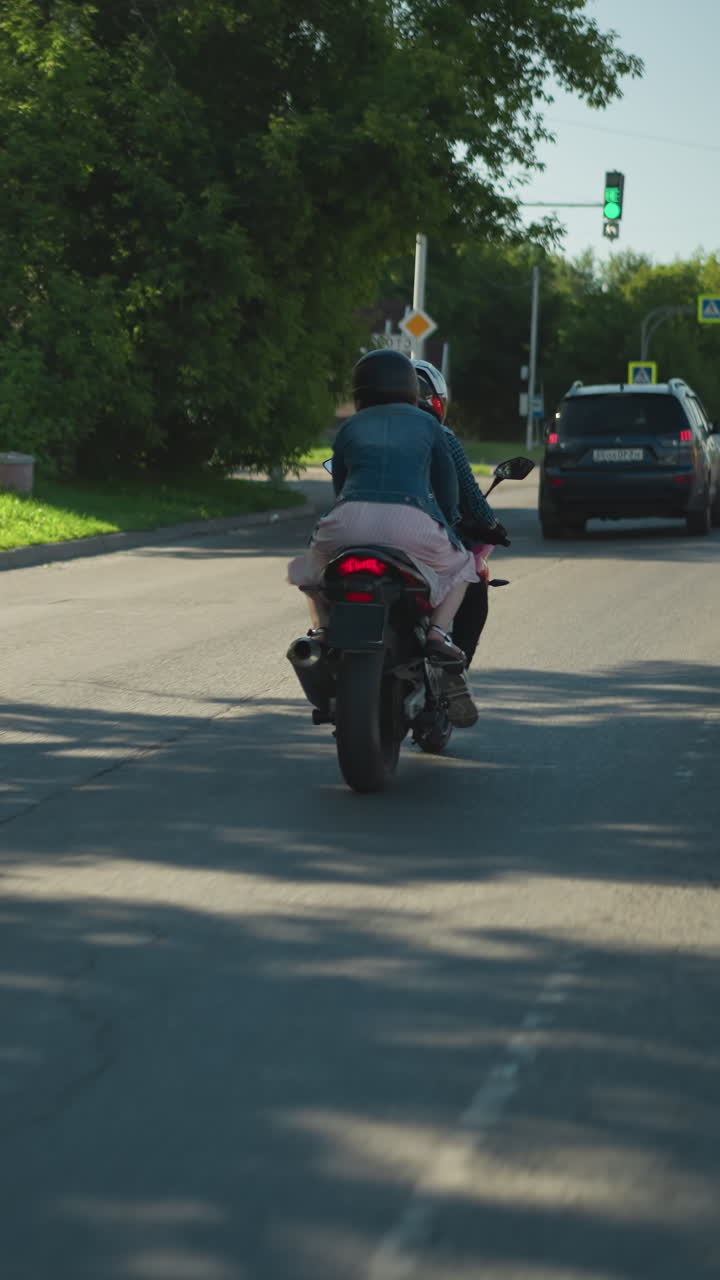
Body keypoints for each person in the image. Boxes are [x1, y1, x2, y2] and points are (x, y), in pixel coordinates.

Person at [287, 349, 479, 726]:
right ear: (411, 388)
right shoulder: (430, 427)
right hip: (412, 522)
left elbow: (341, 484)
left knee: (311, 569)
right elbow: (445, 487)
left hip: (349, 519)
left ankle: (322, 628)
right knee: (463, 567)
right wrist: (450, 524)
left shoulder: (350, 428)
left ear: (359, 391)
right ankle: (439, 634)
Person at [412, 359, 509, 666]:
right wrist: (492, 525)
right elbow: (468, 493)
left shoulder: (358, 429)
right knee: (470, 575)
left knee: (324, 575)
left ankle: (321, 633)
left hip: (352, 531)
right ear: (436, 400)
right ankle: (451, 660)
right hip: (420, 535)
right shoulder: (441, 436)